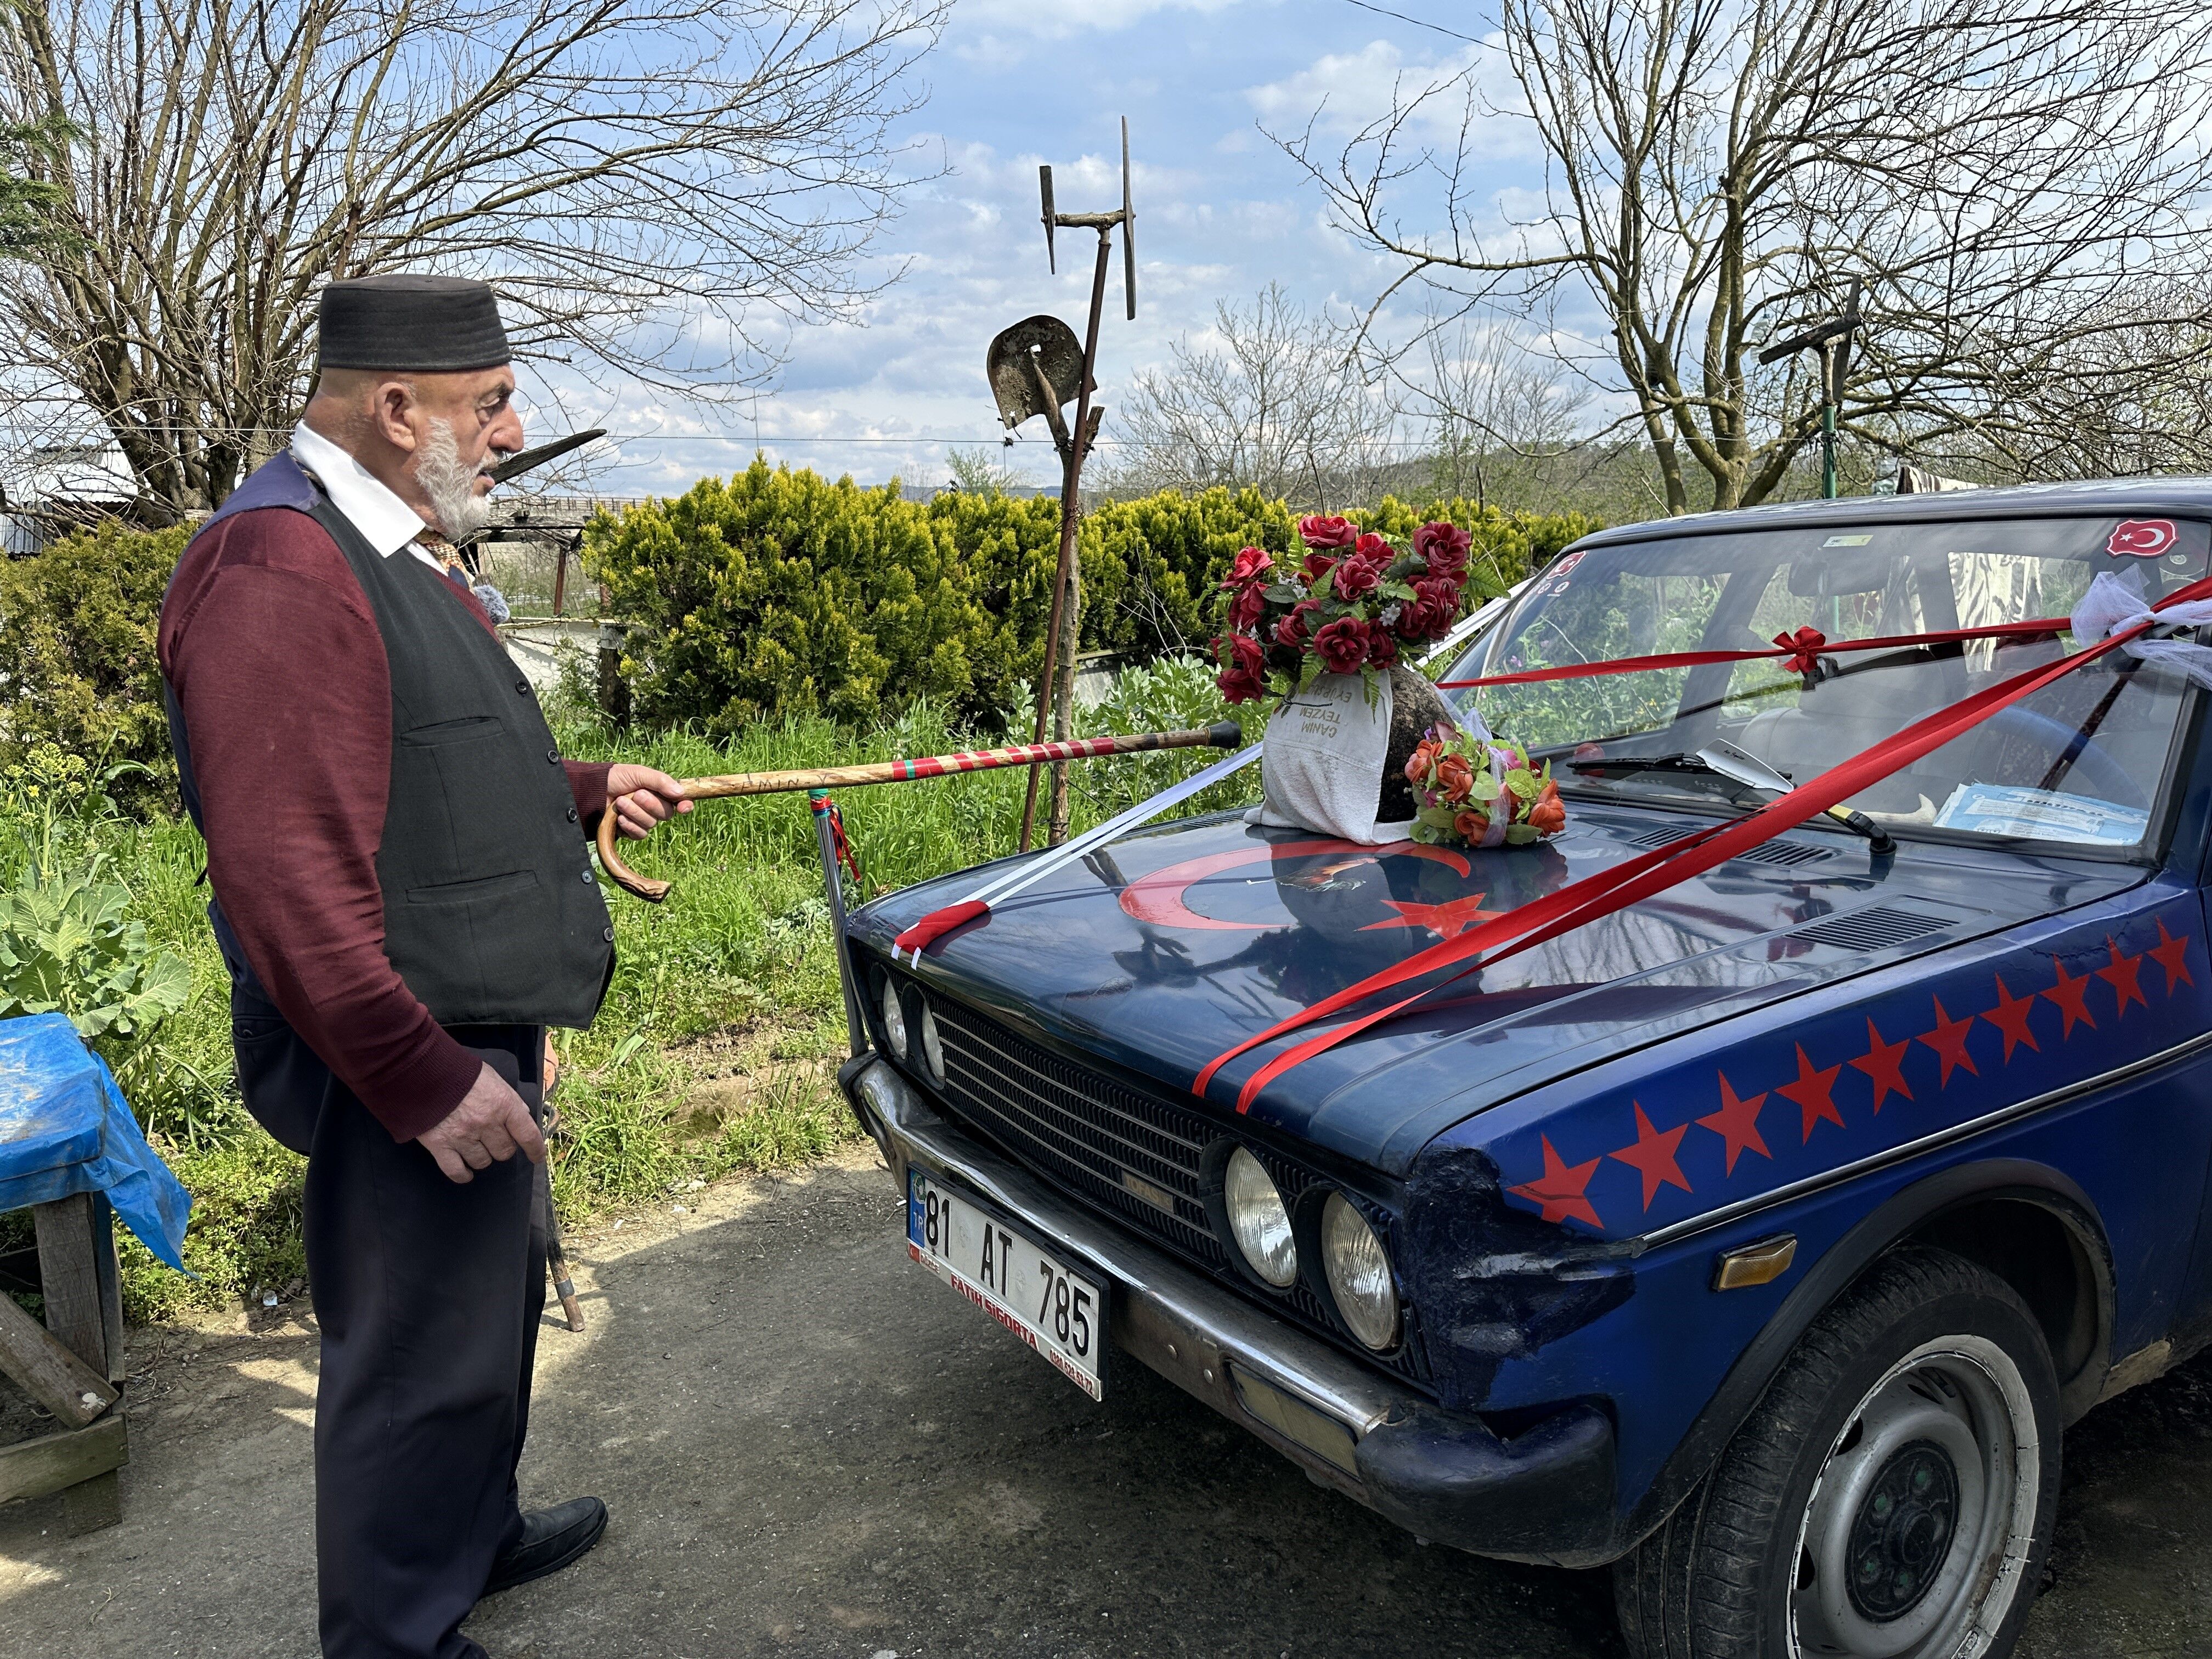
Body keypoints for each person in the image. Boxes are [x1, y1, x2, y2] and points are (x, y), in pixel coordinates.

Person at [159, 273, 689, 1659]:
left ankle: (470, 1536)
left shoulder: (386, 541)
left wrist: (582, 787)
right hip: (395, 1040)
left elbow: (411, 759)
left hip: (463, 1017)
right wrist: (422, 1079)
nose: (512, 431)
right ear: (397, 409)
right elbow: (284, 871)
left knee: (484, 1312)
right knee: (413, 1351)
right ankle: (395, 1634)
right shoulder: (278, 566)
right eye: (491, 403)